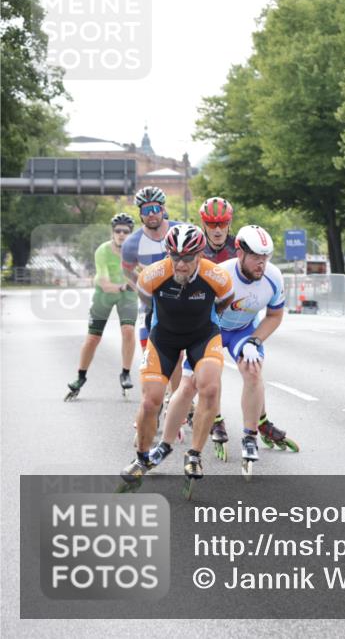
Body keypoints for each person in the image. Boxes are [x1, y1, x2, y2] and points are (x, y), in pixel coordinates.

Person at [151, 225, 295, 475]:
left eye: (265, 258)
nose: (261, 264)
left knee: (253, 370)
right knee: (189, 385)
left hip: (243, 331)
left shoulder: (273, 277)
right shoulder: (219, 275)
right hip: (211, 330)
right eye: (256, 258)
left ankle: (250, 437)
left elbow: (274, 315)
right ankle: (164, 445)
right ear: (239, 254)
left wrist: (255, 340)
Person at [119, 224, 234, 495]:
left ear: (200, 255)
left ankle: (194, 455)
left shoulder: (217, 276)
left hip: (203, 335)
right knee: (150, 401)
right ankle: (142, 458)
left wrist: (205, 317)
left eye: (188, 258)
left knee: (209, 387)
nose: (181, 264)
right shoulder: (152, 275)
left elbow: (225, 300)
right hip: (165, 338)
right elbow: (146, 301)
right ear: (168, 254)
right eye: (175, 257)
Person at [65, 213, 140, 400]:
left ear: (131, 233)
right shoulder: (103, 251)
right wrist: (127, 285)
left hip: (127, 296)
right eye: (118, 231)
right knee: (92, 339)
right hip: (104, 296)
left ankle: (125, 372)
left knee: (129, 331)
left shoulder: (136, 251)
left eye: (126, 231)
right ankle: (80, 377)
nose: (121, 234)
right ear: (112, 232)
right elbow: (106, 284)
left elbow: (143, 274)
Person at [120, 187, 181, 351]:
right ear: (140, 214)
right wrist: (142, 289)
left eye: (155, 208)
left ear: (163, 209)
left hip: (183, 301)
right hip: (151, 305)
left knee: (180, 357)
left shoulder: (181, 231)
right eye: (147, 210)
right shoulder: (131, 244)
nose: (151, 214)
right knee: (148, 354)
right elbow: (127, 271)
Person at [200, 197, 238, 262]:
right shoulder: (197, 249)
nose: (217, 230)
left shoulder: (238, 248)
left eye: (222, 224)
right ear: (203, 225)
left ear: (229, 223)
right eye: (212, 224)